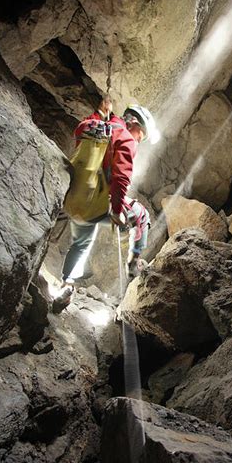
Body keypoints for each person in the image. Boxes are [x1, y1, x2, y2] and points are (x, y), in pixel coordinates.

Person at [52, 98, 153, 312]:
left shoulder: (99, 126)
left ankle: (67, 284)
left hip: (73, 197)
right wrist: (117, 211)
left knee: (82, 244)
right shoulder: (126, 138)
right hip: (97, 205)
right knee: (141, 215)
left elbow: (79, 132)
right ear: (134, 124)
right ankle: (134, 264)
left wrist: (98, 113)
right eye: (140, 136)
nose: (138, 141)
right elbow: (121, 178)